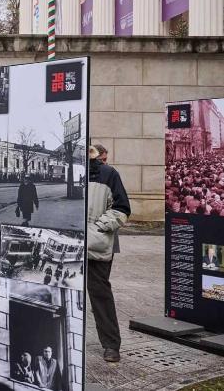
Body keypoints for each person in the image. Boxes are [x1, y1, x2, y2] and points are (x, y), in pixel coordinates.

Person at [86, 145, 131, 363]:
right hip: (66, 243)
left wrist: (95, 229)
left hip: (95, 245)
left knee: (99, 292)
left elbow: (122, 208)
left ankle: (111, 344)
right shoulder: (68, 170)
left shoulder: (107, 173)